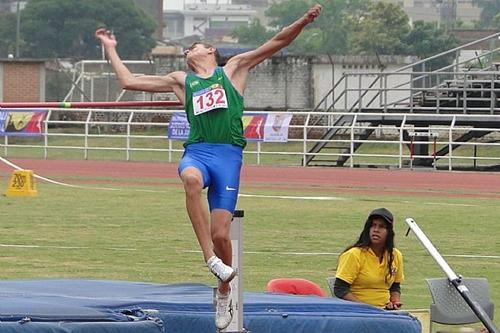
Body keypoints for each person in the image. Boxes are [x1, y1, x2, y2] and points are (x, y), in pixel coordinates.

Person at [95, 4, 322, 330]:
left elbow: (277, 42)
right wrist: (111, 48)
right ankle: (210, 259)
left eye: (195, 45)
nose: (189, 50)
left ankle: (223, 291)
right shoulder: (181, 81)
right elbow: (128, 81)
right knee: (189, 180)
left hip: (228, 158)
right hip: (198, 152)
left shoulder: (234, 69)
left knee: (222, 234)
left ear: (211, 50)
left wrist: (303, 20)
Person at [333, 208, 404, 310]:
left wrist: (394, 302)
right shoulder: (354, 254)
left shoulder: (396, 255)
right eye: (373, 225)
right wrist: (366, 308)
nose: (376, 230)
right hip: (358, 311)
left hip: (385, 310)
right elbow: (340, 289)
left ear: (389, 232)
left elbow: (395, 286)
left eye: (381, 227)